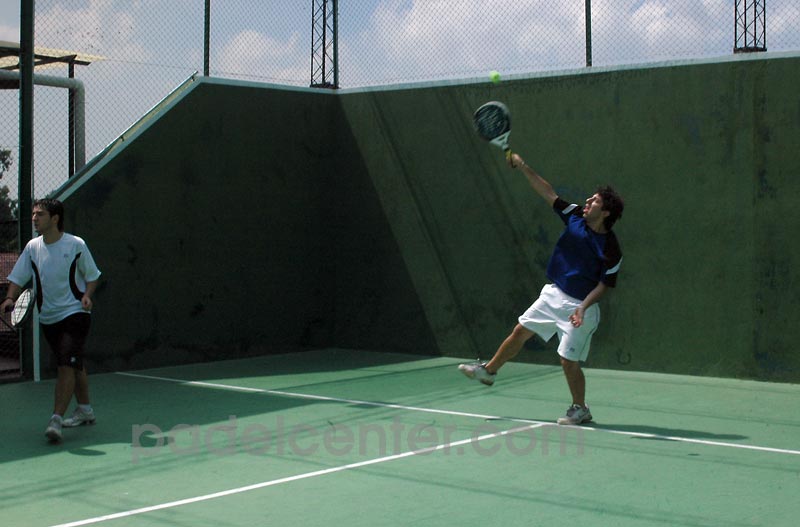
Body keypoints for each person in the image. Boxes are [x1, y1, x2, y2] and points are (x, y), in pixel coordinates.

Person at [459, 152, 623, 425]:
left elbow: (605, 285)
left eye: (594, 201)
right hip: (554, 294)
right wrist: (523, 166)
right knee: (520, 331)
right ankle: (489, 371)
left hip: (581, 307)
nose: (587, 201)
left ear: (605, 212)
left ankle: (580, 409)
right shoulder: (575, 216)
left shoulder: (611, 248)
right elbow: (548, 193)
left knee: (567, 361)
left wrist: (583, 307)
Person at [2, 199, 102, 442]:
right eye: (34, 214)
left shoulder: (76, 244)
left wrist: (87, 296)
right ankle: (85, 410)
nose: (34, 218)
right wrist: (9, 298)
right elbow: (18, 277)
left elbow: (92, 276)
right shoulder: (32, 247)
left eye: (40, 214)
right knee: (74, 363)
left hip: (75, 313)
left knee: (66, 364)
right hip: (48, 318)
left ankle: (55, 420)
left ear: (55, 218)